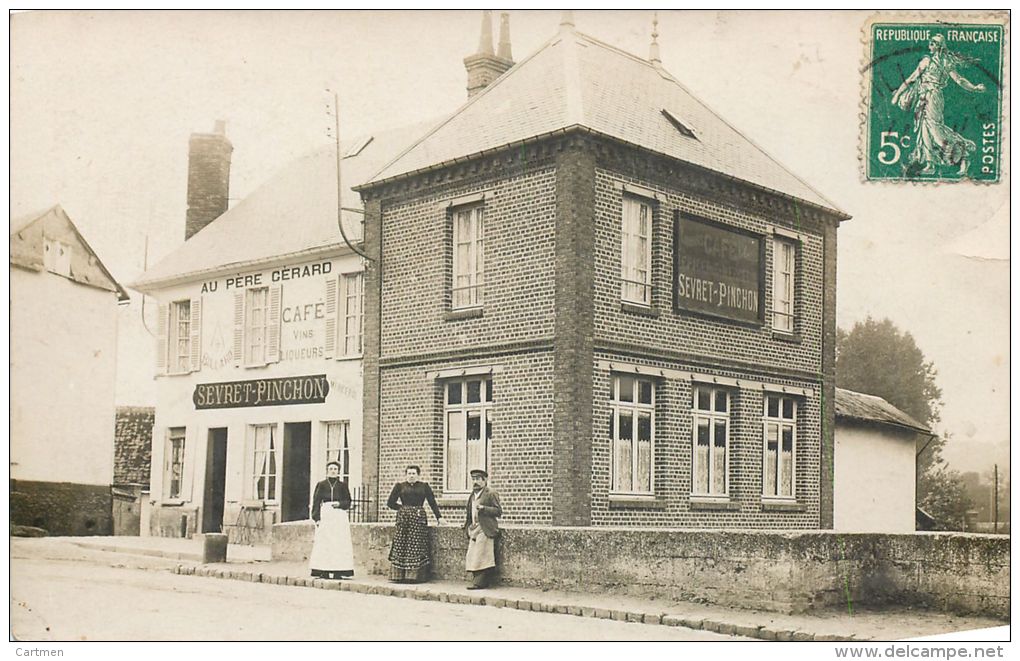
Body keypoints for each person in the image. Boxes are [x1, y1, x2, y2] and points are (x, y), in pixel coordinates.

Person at [891, 34, 986, 176]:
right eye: (930, 43)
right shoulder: (925, 61)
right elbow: (912, 79)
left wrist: (974, 88)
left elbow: (959, 80)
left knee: (936, 131)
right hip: (922, 98)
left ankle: (964, 153)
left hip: (934, 97)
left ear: (939, 46)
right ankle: (930, 165)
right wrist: (898, 94)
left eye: (933, 43)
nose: (930, 45)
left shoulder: (946, 63)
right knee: (924, 131)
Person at [387, 465, 443, 583]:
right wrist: (403, 508)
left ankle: (414, 576)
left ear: (418, 475)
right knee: (401, 542)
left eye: (413, 473)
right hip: (403, 519)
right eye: (409, 473)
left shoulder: (424, 487)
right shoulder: (400, 486)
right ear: (406, 474)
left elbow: (432, 502)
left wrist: (439, 517)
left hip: (418, 518)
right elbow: (390, 503)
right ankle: (399, 575)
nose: (411, 476)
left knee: (417, 544)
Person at [308, 461, 354, 579]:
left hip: (339, 516)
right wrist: (316, 518)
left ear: (338, 471)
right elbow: (316, 502)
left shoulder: (343, 485)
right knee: (325, 542)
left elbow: (348, 502)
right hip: (326, 515)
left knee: (339, 543)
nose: (333, 471)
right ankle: (324, 570)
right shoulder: (321, 485)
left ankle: (339, 570)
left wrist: (340, 504)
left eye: (335, 469)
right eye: (331, 469)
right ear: (327, 471)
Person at [464, 468, 502, 590]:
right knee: (473, 554)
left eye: (478, 479)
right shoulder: (472, 495)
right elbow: (469, 513)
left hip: (486, 528)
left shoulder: (490, 493)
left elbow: (498, 511)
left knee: (482, 555)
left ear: (484, 480)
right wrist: (467, 526)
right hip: (474, 528)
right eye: (473, 479)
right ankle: (478, 581)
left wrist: (484, 508)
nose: (475, 482)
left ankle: (480, 583)